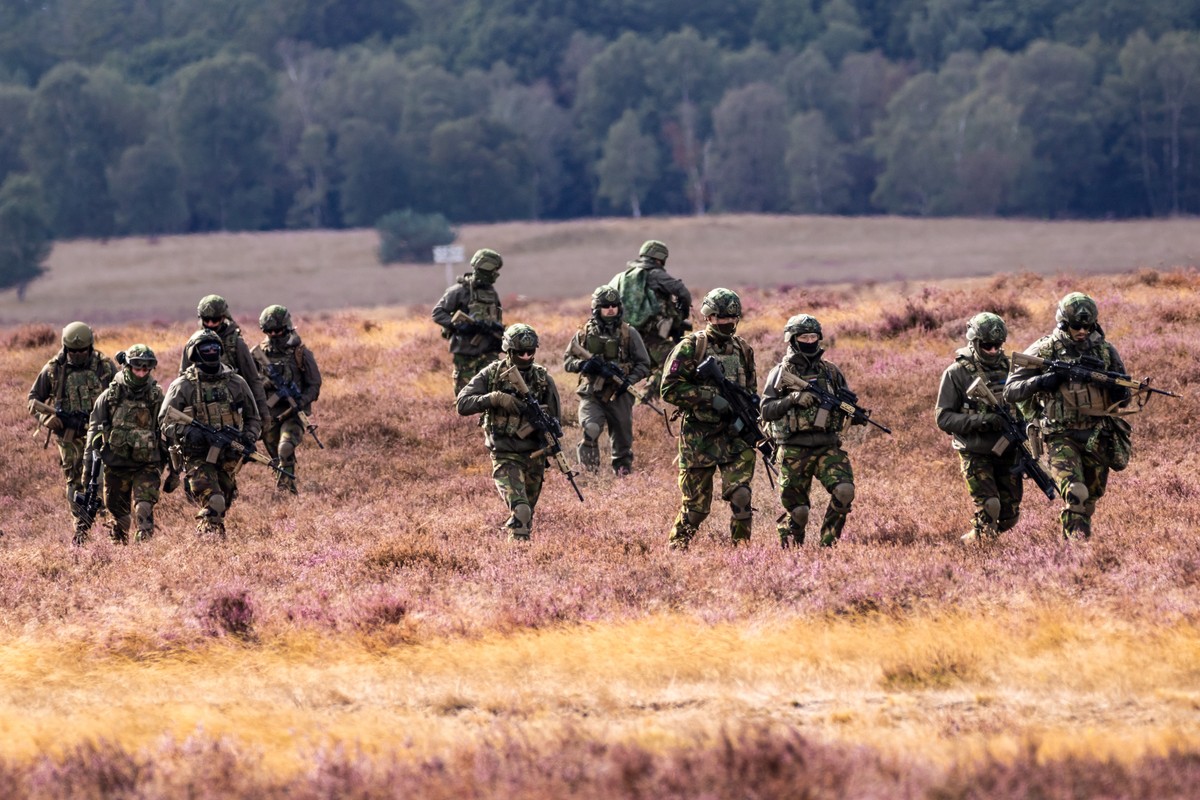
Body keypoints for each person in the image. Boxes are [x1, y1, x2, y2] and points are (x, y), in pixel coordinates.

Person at [1003, 292, 1132, 540]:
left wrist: (1118, 390)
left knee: (1089, 501)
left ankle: (1078, 545)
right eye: (1076, 326)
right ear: (1063, 323)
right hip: (1059, 435)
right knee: (1076, 493)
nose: (1082, 331)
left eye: (1088, 326)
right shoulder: (1045, 349)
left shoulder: (1105, 351)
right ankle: (1077, 553)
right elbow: (1010, 391)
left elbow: (1124, 396)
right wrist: (1045, 380)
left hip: (1097, 435)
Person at [660, 288, 756, 550]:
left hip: (734, 438)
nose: (725, 323)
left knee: (741, 495)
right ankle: (676, 550)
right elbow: (669, 389)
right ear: (708, 317)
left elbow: (750, 392)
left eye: (730, 318)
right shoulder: (692, 347)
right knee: (696, 509)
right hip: (698, 440)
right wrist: (709, 398)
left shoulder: (743, 349)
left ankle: (743, 555)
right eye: (719, 318)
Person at [760, 315, 860, 548]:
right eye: (804, 337)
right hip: (793, 448)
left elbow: (844, 404)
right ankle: (792, 543)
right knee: (800, 511)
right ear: (792, 339)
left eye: (813, 336)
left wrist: (853, 415)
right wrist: (793, 398)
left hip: (827, 445)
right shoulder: (780, 373)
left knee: (845, 491)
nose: (809, 340)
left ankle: (828, 543)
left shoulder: (830, 371)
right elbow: (765, 410)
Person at [456, 323, 562, 541]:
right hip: (505, 454)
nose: (525, 356)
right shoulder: (492, 373)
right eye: (519, 352)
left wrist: (548, 436)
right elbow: (462, 404)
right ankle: (517, 558)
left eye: (530, 352)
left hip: (534, 456)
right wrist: (494, 398)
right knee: (521, 511)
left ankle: (519, 561)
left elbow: (555, 419)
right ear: (508, 351)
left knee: (526, 514)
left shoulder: (542, 379)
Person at [161, 329, 263, 537]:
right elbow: (165, 421)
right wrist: (189, 432)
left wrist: (248, 438)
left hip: (228, 456)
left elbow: (254, 418)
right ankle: (208, 545)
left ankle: (213, 542)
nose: (211, 351)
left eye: (215, 347)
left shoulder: (236, 383)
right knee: (214, 501)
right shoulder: (183, 386)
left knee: (222, 502)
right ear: (194, 353)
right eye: (205, 348)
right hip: (196, 456)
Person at [935, 312, 1022, 543]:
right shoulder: (956, 373)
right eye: (987, 346)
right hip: (975, 451)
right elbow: (943, 418)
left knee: (1010, 516)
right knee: (990, 506)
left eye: (997, 345)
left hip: (1008, 450)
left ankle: (976, 539)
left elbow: (1028, 405)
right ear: (974, 342)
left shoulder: (1012, 368)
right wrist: (983, 421)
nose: (993, 350)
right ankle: (978, 553)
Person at [27, 321, 117, 545]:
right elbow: (33, 400)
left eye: (82, 351)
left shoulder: (104, 366)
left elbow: (121, 394)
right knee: (74, 480)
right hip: (68, 435)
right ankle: (81, 526)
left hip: (99, 433)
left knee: (103, 478)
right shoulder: (53, 369)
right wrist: (47, 419)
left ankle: (109, 524)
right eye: (73, 351)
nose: (77, 355)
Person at [561, 286, 652, 475]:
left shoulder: (629, 333)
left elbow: (644, 364)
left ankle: (622, 472)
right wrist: (583, 365)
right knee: (591, 428)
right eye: (605, 306)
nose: (610, 309)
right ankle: (590, 472)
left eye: (614, 305)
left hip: (620, 394)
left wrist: (628, 380)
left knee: (622, 439)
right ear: (597, 308)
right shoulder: (584, 333)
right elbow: (568, 361)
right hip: (591, 393)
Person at [84, 344, 166, 543]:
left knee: (143, 509)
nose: (141, 373)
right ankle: (120, 556)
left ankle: (144, 557)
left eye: (145, 369)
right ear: (127, 367)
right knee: (119, 518)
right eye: (137, 368)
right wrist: (87, 472)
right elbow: (93, 432)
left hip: (146, 465)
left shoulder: (157, 397)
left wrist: (172, 468)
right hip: (116, 465)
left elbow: (166, 433)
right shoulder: (109, 397)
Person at [251, 304, 322, 494]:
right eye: (270, 331)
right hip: (269, 415)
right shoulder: (257, 354)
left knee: (285, 448)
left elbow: (314, 385)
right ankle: (287, 491)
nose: (274, 334)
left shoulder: (300, 353)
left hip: (293, 413)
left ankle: (286, 491)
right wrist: (265, 384)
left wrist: (301, 400)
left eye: (278, 330)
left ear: (287, 327)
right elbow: (247, 384)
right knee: (278, 458)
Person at [610, 240, 692, 395]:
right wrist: (682, 314)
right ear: (660, 258)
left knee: (637, 368)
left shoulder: (620, 277)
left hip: (623, 336)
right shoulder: (655, 274)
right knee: (674, 359)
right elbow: (682, 292)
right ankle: (648, 399)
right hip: (650, 336)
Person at [178, 294, 270, 430]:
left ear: (223, 318)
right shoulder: (193, 344)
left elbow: (253, 379)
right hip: (201, 411)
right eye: (206, 320)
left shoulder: (236, 344)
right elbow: (182, 380)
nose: (210, 324)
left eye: (214, 320)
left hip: (231, 411)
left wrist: (263, 413)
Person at [431, 248, 505, 393]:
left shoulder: (491, 293)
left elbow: (497, 315)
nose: (496, 274)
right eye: (494, 270)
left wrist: (496, 327)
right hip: (466, 350)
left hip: (489, 349)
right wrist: (459, 325)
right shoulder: (458, 291)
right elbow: (438, 313)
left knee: (492, 390)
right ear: (485, 269)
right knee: (464, 393)